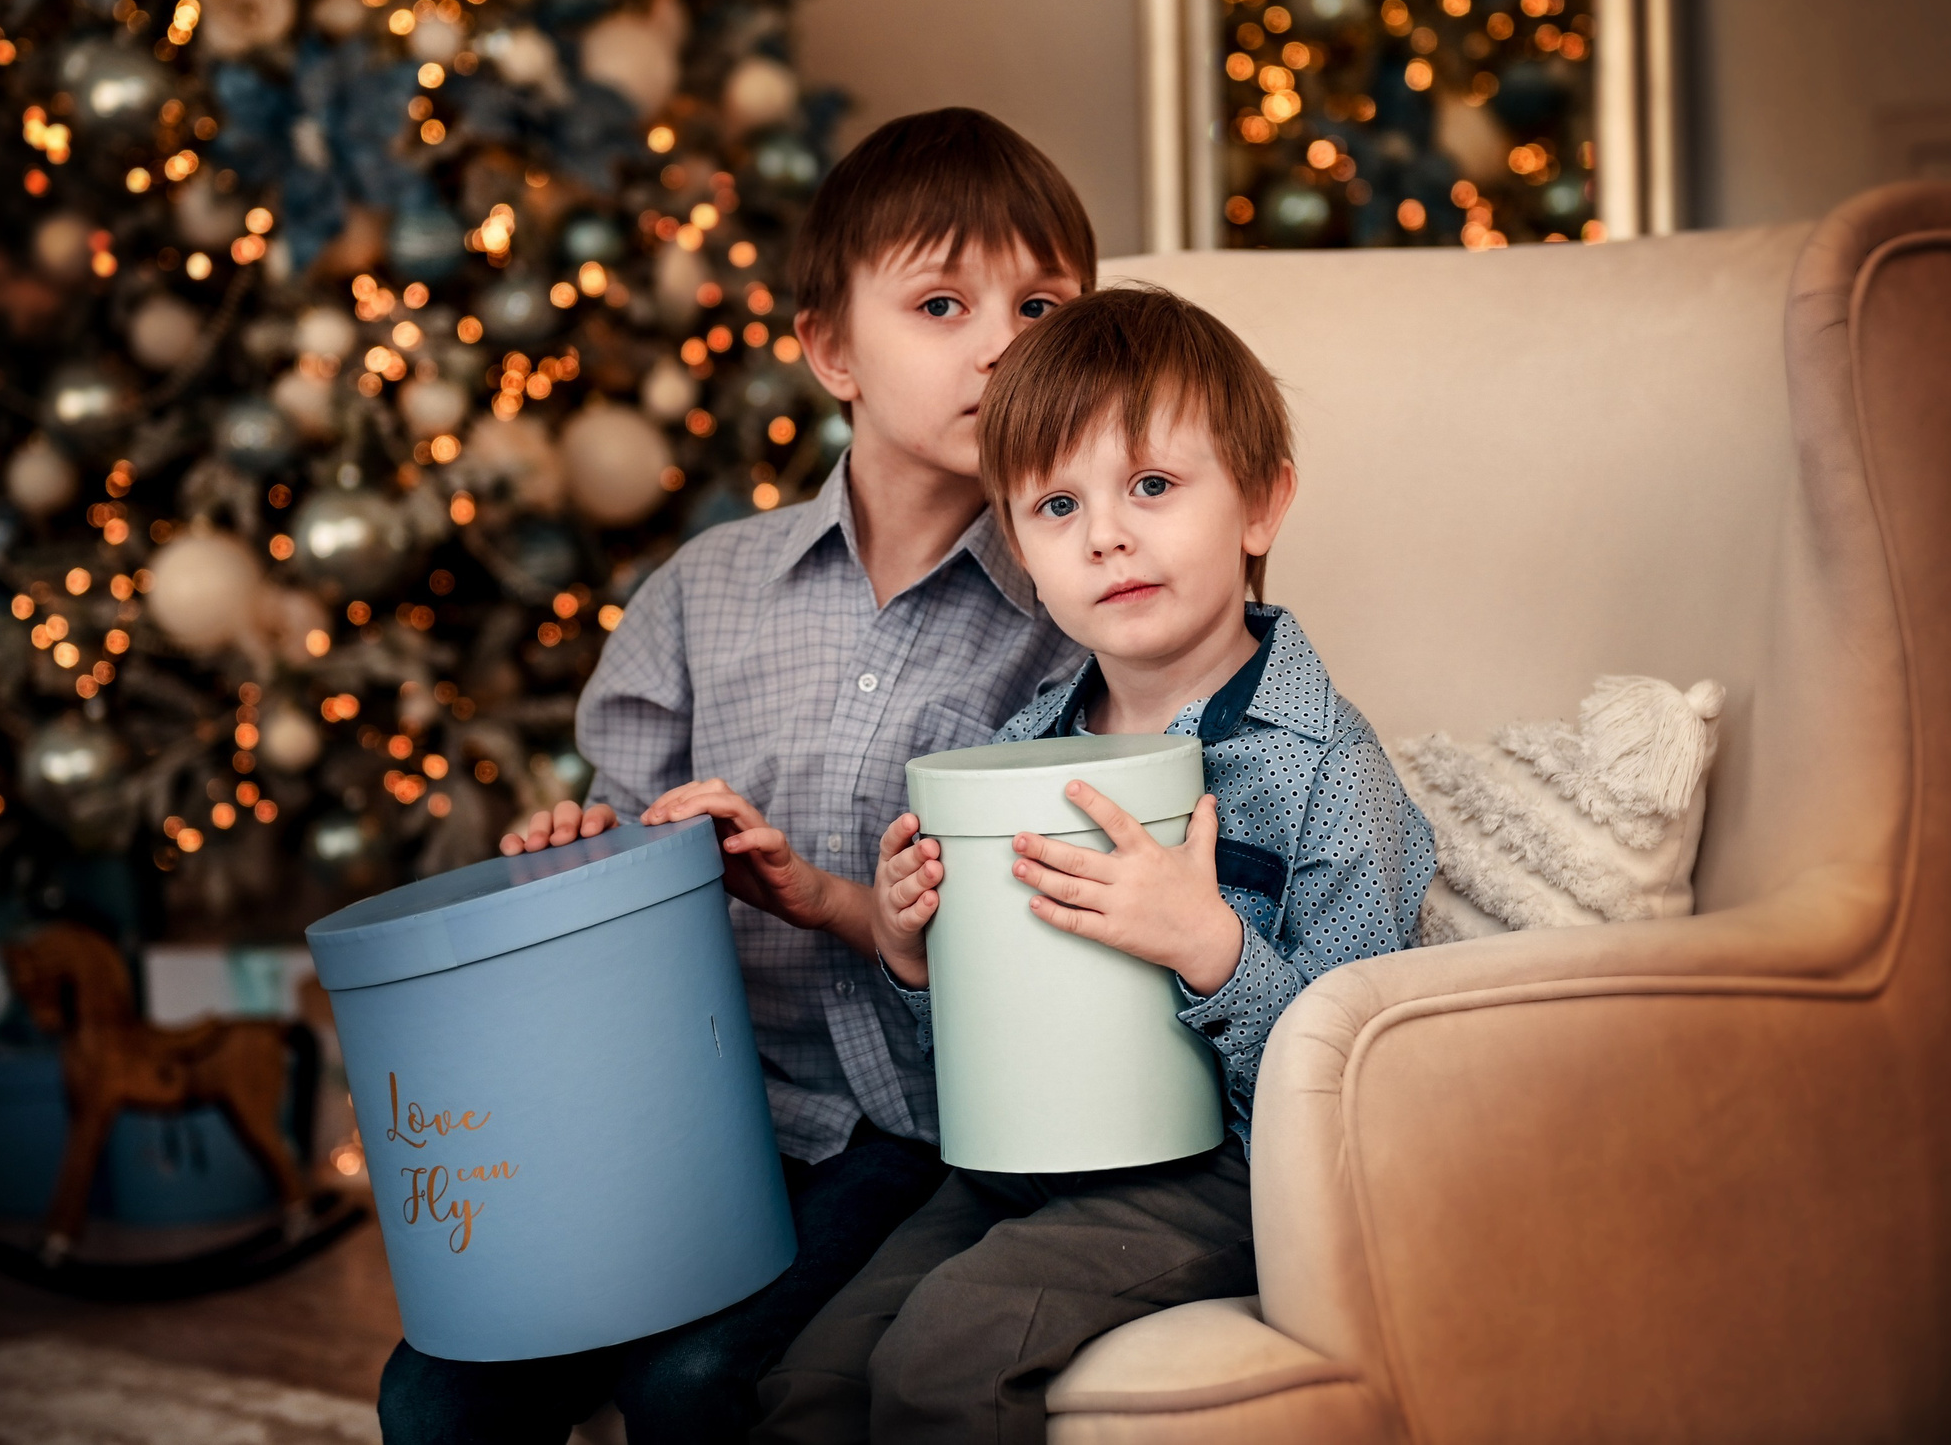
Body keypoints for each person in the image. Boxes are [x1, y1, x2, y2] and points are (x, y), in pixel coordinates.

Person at [376, 108, 1095, 1444]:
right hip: (687, 1107)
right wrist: (581, 854)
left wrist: (836, 898)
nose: (1004, 344)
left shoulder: (1072, 609)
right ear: (832, 350)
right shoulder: (707, 589)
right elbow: (609, 868)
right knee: (431, 1396)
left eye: (1043, 303)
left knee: (698, 1384)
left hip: (899, 1129)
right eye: (943, 303)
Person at [752, 286, 1438, 1445]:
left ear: (1260, 503)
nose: (1106, 535)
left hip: (1220, 1175)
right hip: (1023, 1162)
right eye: (1057, 505)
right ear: (1020, 548)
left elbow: (1362, 1084)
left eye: (1153, 487)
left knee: (945, 1356)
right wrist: (917, 958)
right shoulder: (1023, 755)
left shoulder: (1326, 767)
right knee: (804, 1386)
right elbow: (976, 1061)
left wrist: (1209, 946)